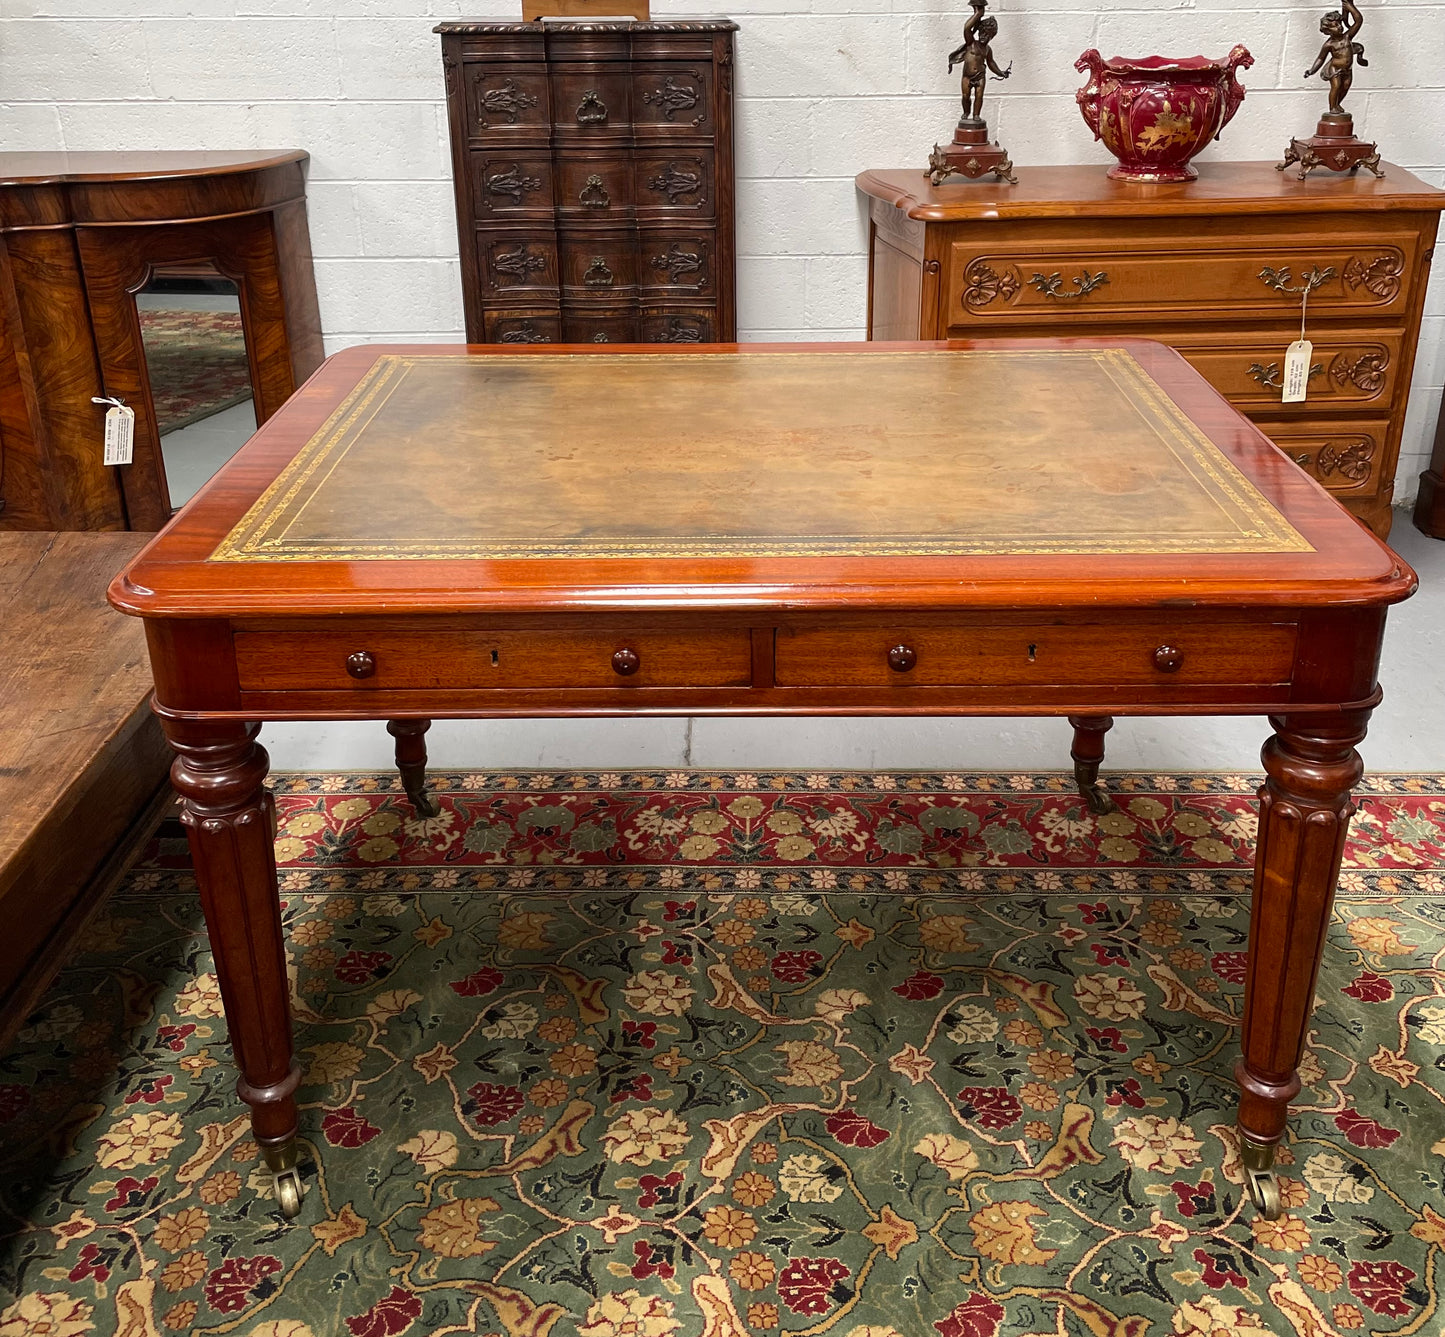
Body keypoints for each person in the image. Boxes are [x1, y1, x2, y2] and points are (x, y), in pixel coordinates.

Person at [948, 0, 1011, 125]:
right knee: (966, 96)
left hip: (980, 76)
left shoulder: (987, 49)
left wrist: (1001, 73)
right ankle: (966, 112)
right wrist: (978, 14)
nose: (984, 37)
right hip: (967, 76)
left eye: (987, 36)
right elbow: (966, 28)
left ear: (991, 37)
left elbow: (991, 63)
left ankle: (976, 114)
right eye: (982, 33)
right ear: (979, 32)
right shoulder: (971, 43)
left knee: (979, 96)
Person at [1305, 0, 1367, 116]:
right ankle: (1332, 107)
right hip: (1335, 69)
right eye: (1335, 26)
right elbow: (1320, 59)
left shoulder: (1347, 37)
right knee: (1336, 86)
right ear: (1327, 30)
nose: (1339, 27)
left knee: (1345, 87)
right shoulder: (1329, 44)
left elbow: (1359, 21)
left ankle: (1337, 103)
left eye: (1339, 24)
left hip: (1348, 69)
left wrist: (1350, 7)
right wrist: (1311, 71)